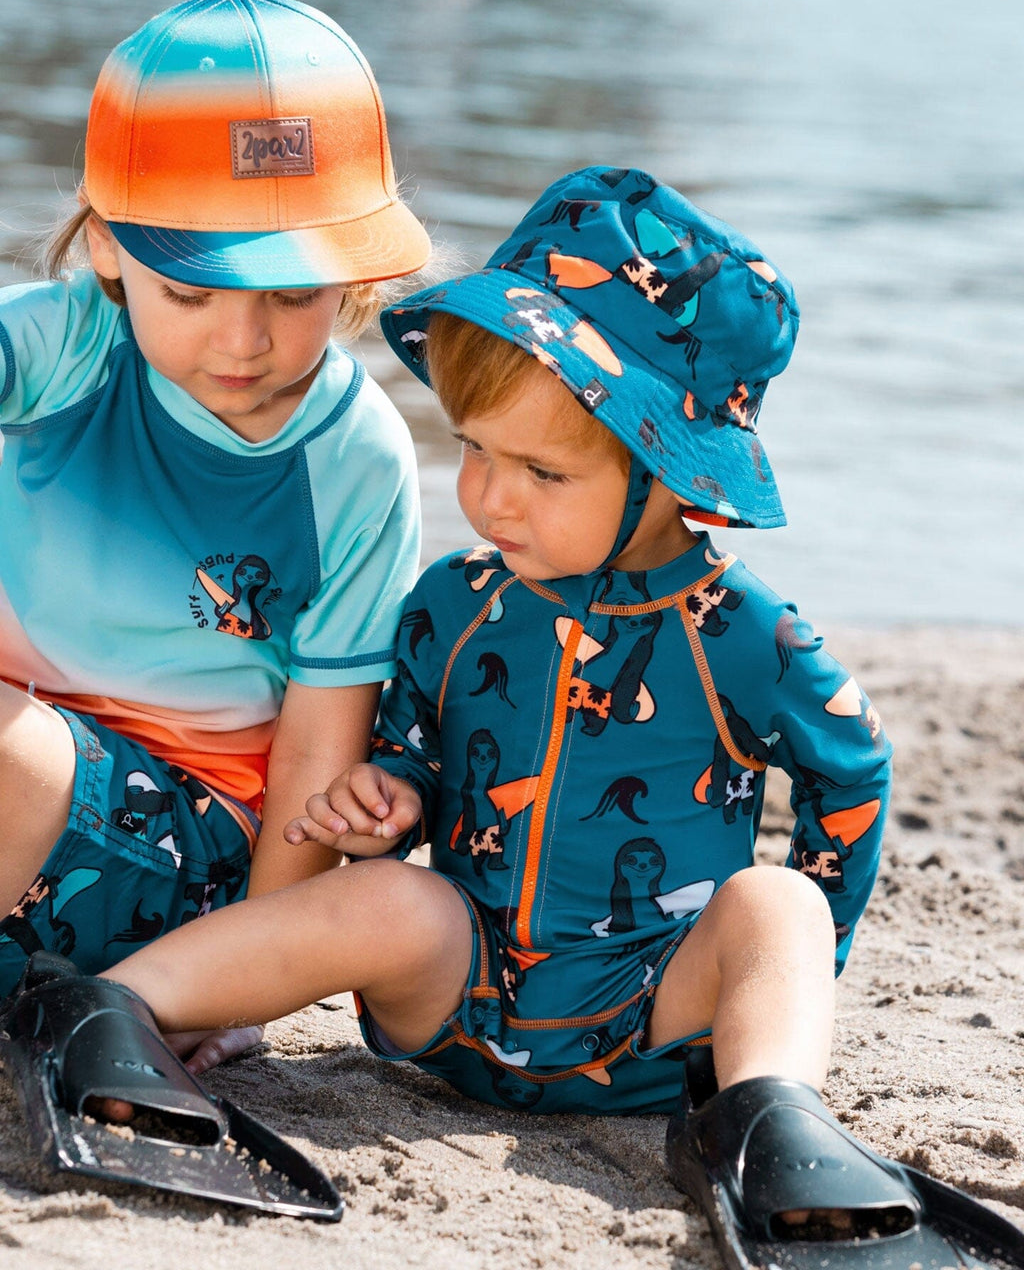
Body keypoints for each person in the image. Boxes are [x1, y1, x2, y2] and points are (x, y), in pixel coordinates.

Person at [100, 164, 889, 1113]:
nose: (488, 497)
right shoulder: (457, 601)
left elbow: (853, 771)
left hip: (659, 1025)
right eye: (475, 448)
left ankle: (773, 1113)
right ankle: (123, 1009)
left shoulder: (746, 633)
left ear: (671, 473)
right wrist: (392, 798)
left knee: (779, 905)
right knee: (392, 903)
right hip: (459, 1004)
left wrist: (790, 966)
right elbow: (414, 749)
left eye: (542, 474)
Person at [0, 0, 430, 1068]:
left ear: (355, 269)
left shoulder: (353, 460)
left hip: (176, 863)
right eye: (191, 292)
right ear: (107, 247)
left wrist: (236, 987)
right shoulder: (62, 347)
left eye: (290, 295)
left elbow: (316, 754)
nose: (242, 339)